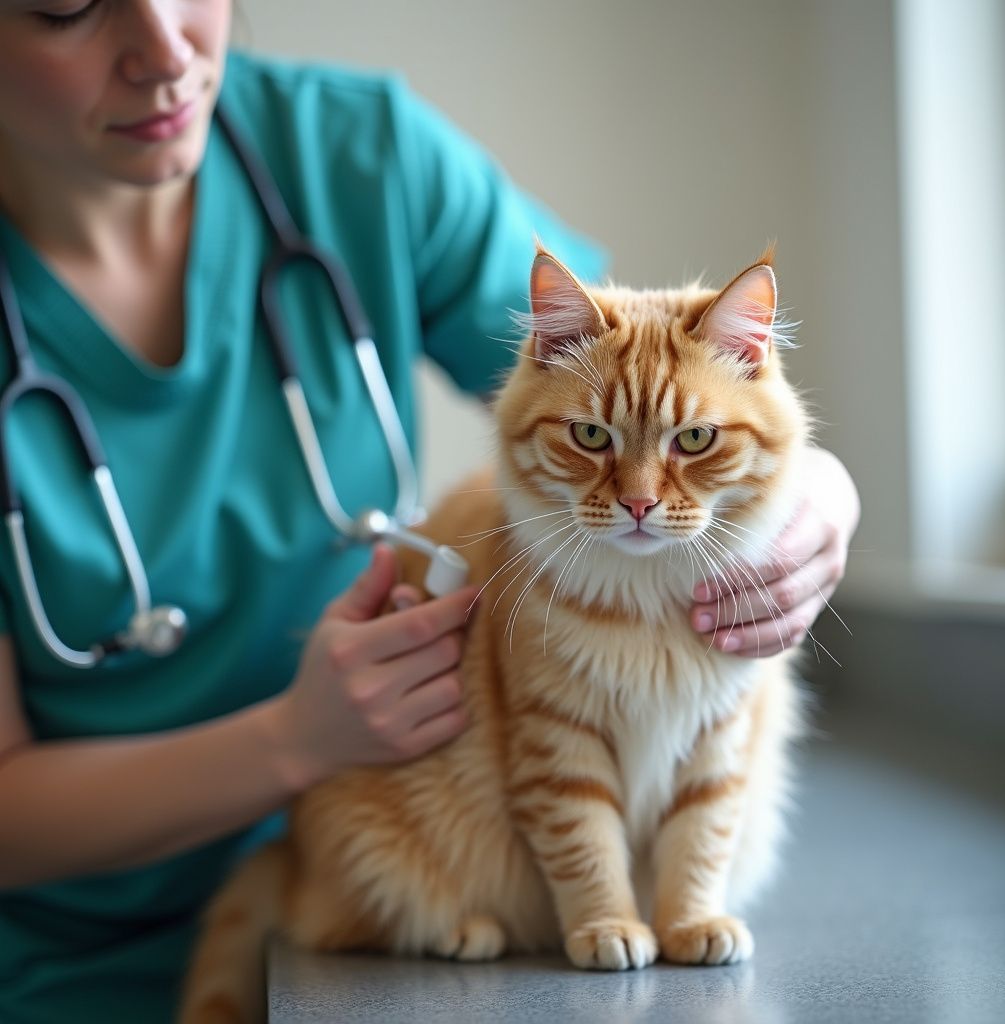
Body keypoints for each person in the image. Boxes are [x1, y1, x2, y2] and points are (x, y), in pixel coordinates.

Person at [0, 3, 860, 1022]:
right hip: (91, 965)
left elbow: (641, 360)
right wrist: (292, 741)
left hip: (400, 929)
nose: (165, 50)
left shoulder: (361, 154)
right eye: (66, 7)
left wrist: (821, 499)